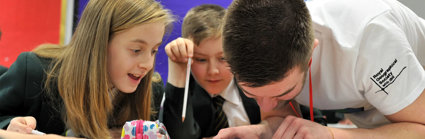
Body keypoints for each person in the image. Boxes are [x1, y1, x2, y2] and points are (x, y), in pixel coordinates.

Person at [214, 0, 425, 138]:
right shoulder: (257, 56)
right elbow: (280, 116)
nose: (267, 105)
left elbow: (420, 129)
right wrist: (263, 131)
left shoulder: (368, 39)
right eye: (250, 94)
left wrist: (331, 135)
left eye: (284, 93)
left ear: (310, 54)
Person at [0, 0, 173, 138]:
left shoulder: (151, 89)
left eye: (154, 51)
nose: (148, 64)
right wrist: (9, 126)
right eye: (136, 50)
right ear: (98, 43)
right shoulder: (35, 70)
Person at [162, 4, 261, 139]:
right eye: (201, 59)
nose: (213, 71)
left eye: (223, 58)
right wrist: (177, 69)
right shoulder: (180, 95)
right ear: (189, 57)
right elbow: (178, 136)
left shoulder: (257, 81)